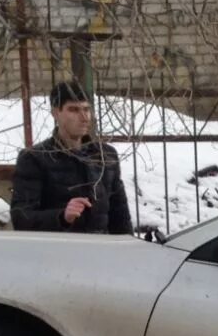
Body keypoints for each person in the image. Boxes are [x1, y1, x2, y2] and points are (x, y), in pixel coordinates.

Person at [10, 81, 135, 235]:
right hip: (59, 251)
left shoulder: (105, 156)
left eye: (87, 109)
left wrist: (128, 251)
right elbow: (21, 218)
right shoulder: (35, 158)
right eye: (74, 110)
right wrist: (62, 217)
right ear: (56, 113)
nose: (84, 117)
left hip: (102, 250)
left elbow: (120, 215)